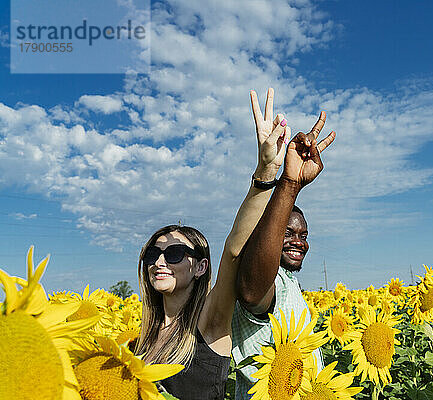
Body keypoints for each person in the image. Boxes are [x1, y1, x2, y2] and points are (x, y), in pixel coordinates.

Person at [134, 88, 290, 400]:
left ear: (200, 266)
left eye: (175, 253)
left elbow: (234, 250)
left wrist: (266, 173)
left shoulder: (209, 320)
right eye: (154, 253)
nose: (159, 261)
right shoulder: (138, 341)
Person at [232, 112, 336, 400]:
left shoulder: (289, 282)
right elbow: (253, 294)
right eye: (287, 233)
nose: (298, 242)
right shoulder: (267, 280)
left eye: (303, 236)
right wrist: (289, 183)